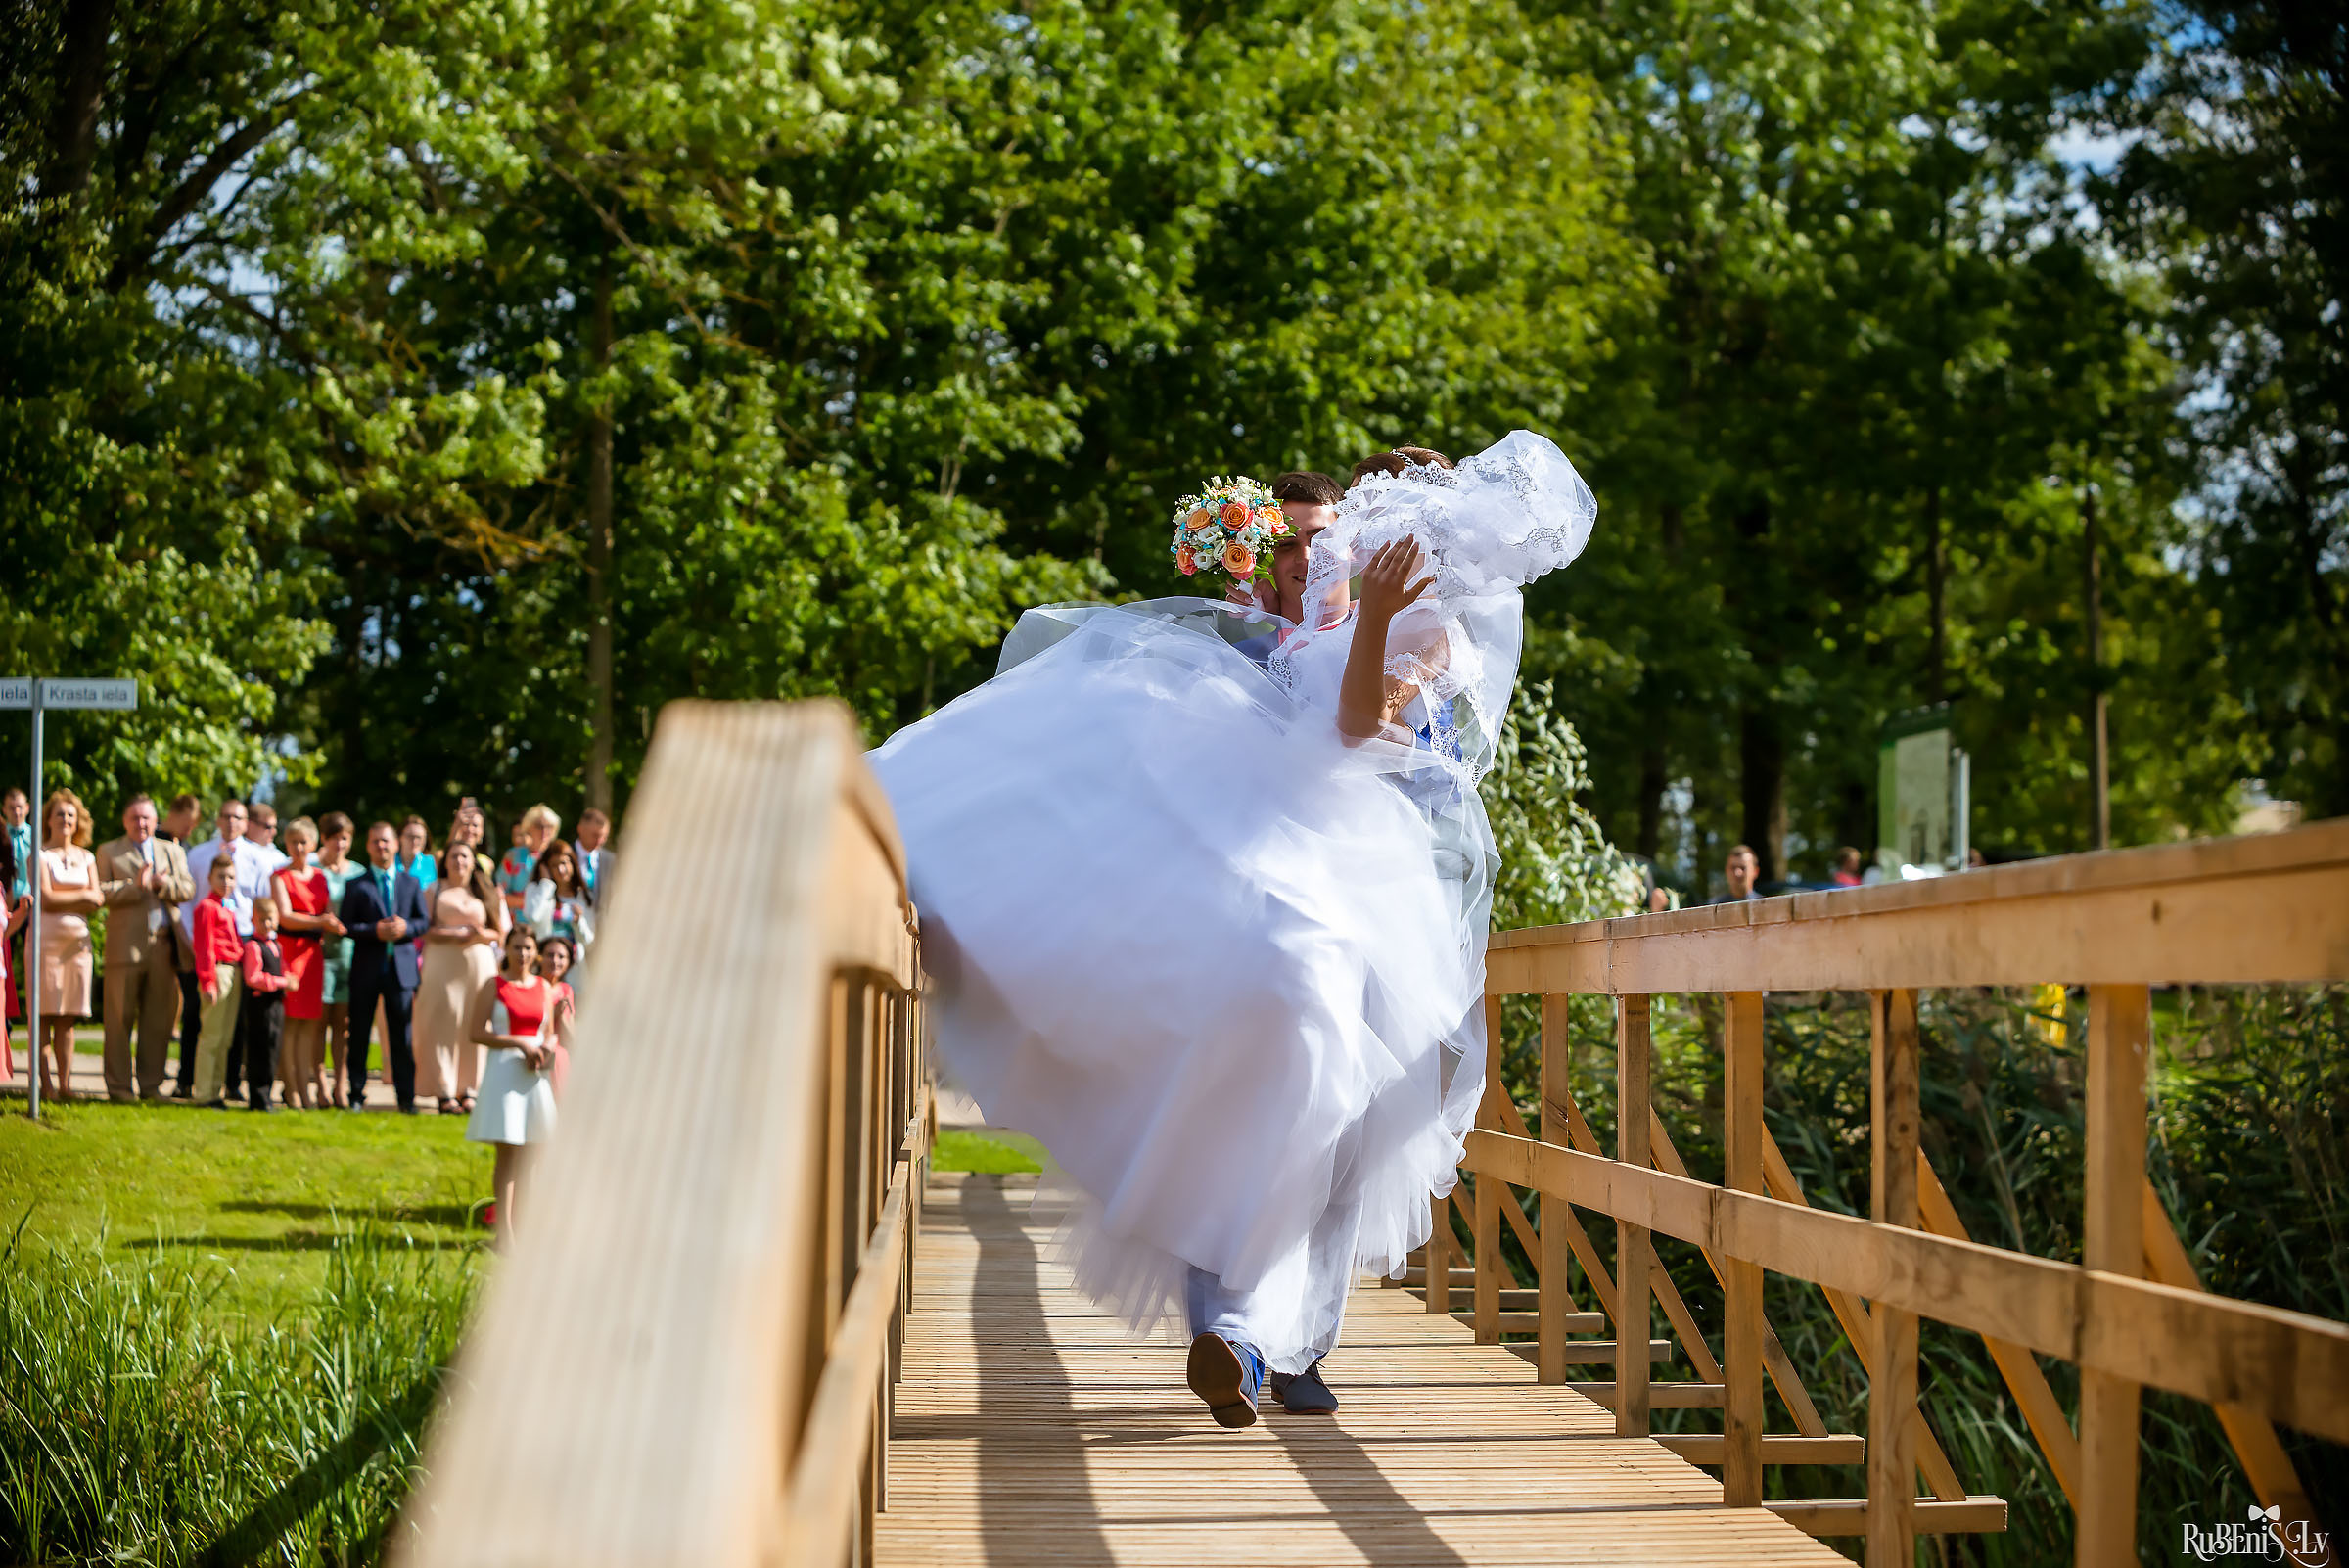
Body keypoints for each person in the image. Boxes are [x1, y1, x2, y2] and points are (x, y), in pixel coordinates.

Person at [870, 430, 1594, 1427]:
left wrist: (1380, 600)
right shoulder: (1267, 640)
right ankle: (1241, 1334)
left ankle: (1285, 1345)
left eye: (1328, 540)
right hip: (1286, 883)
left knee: (1343, 1125)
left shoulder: (1427, 632)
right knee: (1259, 1075)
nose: (1312, 560)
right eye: (1293, 545)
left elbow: (1354, 730)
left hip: (1388, 895)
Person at [467, 925, 566, 1240]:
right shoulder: (493, 986)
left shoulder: (543, 988)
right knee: (508, 1153)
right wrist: (517, 1043)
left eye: (527, 948)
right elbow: (476, 1032)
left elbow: (549, 1030)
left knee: (532, 1154)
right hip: (505, 1073)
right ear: (506, 950)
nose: (522, 954)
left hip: (534, 1076)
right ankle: (505, 1233)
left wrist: (546, 1048)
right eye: (516, 947)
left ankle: (525, 1228)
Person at [96, 794, 196, 1101]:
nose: (141, 823)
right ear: (125, 821)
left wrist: (161, 885)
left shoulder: (172, 850)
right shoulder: (109, 850)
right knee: (118, 1019)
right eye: (135, 818)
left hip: (163, 947)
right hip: (124, 947)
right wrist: (134, 887)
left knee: (157, 1021)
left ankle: (151, 1086)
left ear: (156, 821)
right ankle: (119, 1088)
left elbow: (188, 888)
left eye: (146, 818)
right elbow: (98, 892)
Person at [339, 820, 430, 1112]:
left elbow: (423, 921)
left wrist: (406, 928)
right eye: (376, 841)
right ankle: (355, 1094)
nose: (381, 846)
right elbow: (347, 925)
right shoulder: (356, 884)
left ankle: (406, 1098)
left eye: (386, 841)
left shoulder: (410, 883)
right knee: (360, 1034)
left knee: (402, 1035)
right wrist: (373, 930)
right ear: (368, 846)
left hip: (401, 968)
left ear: (395, 844)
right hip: (367, 966)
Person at [414, 839, 504, 1115]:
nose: (459, 862)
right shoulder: (434, 889)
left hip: (478, 965)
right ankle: (444, 1089)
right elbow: (423, 928)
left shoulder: (486, 890)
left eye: (464, 857)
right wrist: (455, 934)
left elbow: (498, 932)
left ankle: (470, 1089)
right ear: (446, 861)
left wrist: (478, 935)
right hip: (443, 963)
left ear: (472, 860)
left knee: (474, 1022)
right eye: (454, 856)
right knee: (443, 1021)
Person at [35, 790, 102, 1103]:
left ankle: (65, 1084)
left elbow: (98, 899)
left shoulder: (86, 857)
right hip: (45, 944)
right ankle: (44, 1085)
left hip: (78, 947)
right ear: (48, 818)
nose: (65, 819)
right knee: (44, 1016)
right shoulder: (40, 855)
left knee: (68, 1017)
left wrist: (71, 898)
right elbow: (45, 899)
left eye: (71, 815)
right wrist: (82, 898)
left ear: (78, 823)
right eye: (60, 814)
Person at [272, 818, 343, 1108]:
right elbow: (285, 916)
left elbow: (327, 912)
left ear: (313, 844)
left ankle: (304, 1087)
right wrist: (319, 921)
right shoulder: (279, 876)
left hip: (313, 955)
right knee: (290, 1023)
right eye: (293, 842)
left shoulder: (320, 877)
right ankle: (292, 1088)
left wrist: (333, 925)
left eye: (304, 842)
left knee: (308, 1025)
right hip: (290, 951)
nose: (299, 847)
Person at [315, 813, 363, 1106]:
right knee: (319, 1022)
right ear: (324, 838)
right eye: (334, 837)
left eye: (345, 837)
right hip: (318, 952)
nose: (340, 843)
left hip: (348, 952)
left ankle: (340, 1085)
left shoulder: (357, 872)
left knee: (343, 1024)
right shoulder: (312, 869)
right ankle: (320, 1083)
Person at [190, 854, 245, 1106]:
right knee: (211, 1035)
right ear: (210, 878)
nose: (226, 881)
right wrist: (208, 981)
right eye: (221, 876)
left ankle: (216, 1091)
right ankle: (203, 1093)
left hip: (234, 971)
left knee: (225, 1038)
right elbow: (204, 948)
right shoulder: (206, 907)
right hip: (218, 971)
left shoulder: (227, 907)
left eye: (231, 877)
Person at [238, 897, 290, 1110]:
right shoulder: (253, 946)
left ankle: (267, 1094)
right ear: (253, 920)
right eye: (263, 920)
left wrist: (289, 979)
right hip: (260, 1006)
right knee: (259, 1050)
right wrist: (281, 981)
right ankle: (258, 1097)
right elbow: (253, 977)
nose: (267, 924)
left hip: (276, 1004)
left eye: (271, 919)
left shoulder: (277, 945)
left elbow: (283, 968)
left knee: (273, 1049)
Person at [521, 838, 595, 969]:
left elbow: (589, 941)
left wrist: (579, 922)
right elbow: (533, 917)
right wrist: (546, 884)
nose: (561, 870)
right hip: (543, 966)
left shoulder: (584, 896)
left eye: (564, 863)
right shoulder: (536, 890)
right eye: (554, 865)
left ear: (573, 864)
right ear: (545, 867)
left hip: (574, 968)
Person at [497, 805, 559, 914]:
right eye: (539, 826)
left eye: (549, 826)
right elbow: (500, 894)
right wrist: (535, 903)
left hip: (552, 924)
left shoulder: (558, 856)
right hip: (519, 925)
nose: (544, 830)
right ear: (528, 827)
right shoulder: (513, 855)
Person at [537, 934, 577, 1096]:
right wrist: (552, 1013)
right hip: (538, 1050)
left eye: (561, 957)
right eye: (550, 955)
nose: (555, 961)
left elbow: (570, 1038)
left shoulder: (566, 990)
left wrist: (561, 1017)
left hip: (560, 1055)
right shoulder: (534, 985)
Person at [575, 807, 615, 908]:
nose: (599, 841)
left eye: (604, 837)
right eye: (595, 835)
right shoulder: (565, 855)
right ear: (580, 829)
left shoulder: (610, 860)